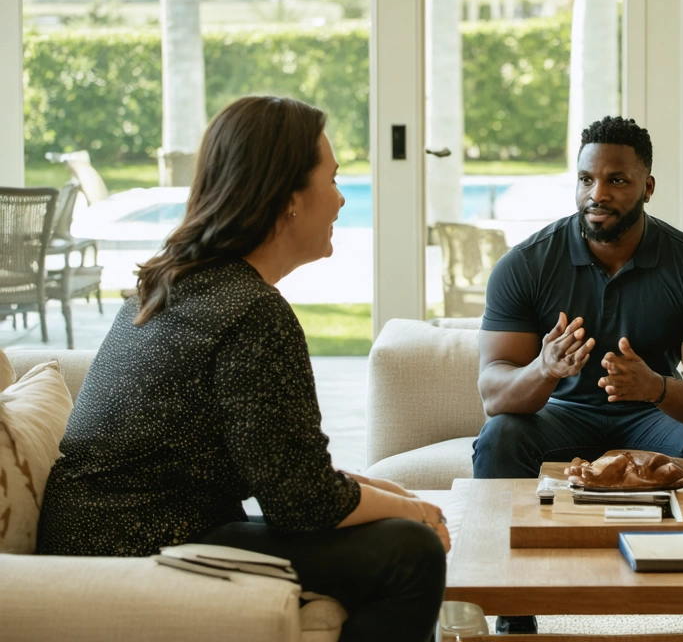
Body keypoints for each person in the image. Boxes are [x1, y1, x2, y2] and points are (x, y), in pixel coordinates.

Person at [37, 96, 447, 642]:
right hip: (135, 548)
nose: (343, 198)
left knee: (391, 527)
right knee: (407, 553)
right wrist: (415, 514)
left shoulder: (173, 284)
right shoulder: (251, 312)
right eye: (333, 178)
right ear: (289, 198)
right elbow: (304, 503)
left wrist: (393, 497)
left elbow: (283, 470)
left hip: (100, 535)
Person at [474, 116, 683, 634]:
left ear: (647, 186)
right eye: (586, 179)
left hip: (652, 416)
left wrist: (657, 387)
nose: (596, 193)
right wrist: (544, 367)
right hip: (563, 416)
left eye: (616, 180)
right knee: (500, 436)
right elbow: (494, 391)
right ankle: (514, 614)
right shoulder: (527, 264)